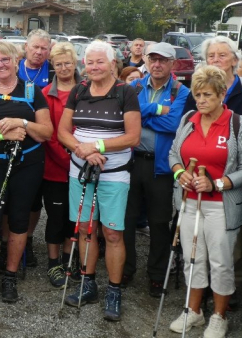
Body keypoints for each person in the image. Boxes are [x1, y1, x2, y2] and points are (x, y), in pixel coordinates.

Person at [58, 40, 141, 321]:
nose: (93, 67)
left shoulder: (125, 91)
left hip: (114, 173)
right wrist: (81, 149)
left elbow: (132, 137)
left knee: (113, 233)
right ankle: (88, 282)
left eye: (99, 62)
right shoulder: (79, 90)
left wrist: (98, 147)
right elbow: (62, 131)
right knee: (85, 228)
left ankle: (114, 291)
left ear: (112, 63)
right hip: (80, 170)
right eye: (89, 62)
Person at [168, 66, 242, 337]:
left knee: (220, 261)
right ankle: (193, 312)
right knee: (192, 258)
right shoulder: (188, 119)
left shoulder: (237, 123)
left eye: (207, 95)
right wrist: (180, 173)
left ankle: (219, 316)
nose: (200, 101)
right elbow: (173, 154)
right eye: (197, 95)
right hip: (189, 201)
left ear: (222, 94)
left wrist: (217, 183)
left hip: (221, 205)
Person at [0, 39, 52, 302]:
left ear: (16, 61)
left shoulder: (32, 91)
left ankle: (10, 277)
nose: (1, 64)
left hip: (26, 165)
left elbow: (45, 132)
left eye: (6, 59)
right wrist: (6, 134)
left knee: (18, 220)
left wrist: (22, 122)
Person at [122, 42, 190, 296]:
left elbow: (173, 124)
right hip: (132, 161)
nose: (157, 64)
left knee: (159, 222)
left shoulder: (180, 91)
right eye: (153, 59)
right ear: (147, 61)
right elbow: (124, 117)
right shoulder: (135, 85)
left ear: (173, 63)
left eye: (163, 60)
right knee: (127, 219)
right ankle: (126, 269)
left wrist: (141, 115)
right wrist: (155, 109)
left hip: (161, 166)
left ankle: (156, 275)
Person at [39, 42, 82, 288]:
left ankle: (69, 258)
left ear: (75, 63)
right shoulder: (46, 94)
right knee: (56, 217)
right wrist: (70, 161)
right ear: (52, 67)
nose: (64, 68)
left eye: (68, 63)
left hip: (82, 166)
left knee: (73, 218)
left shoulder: (86, 90)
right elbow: (50, 135)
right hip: (56, 168)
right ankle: (53, 262)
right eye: (58, 64)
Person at [15, 29, 52, 267]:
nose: (39, 52)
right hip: (9, 139)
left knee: (34, 199)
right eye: (35, 47)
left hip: (40, 142)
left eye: (44, 49)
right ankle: (8, 240)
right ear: (26, 47)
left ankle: (27, 239)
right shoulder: (12, 67)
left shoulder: (54, 71)